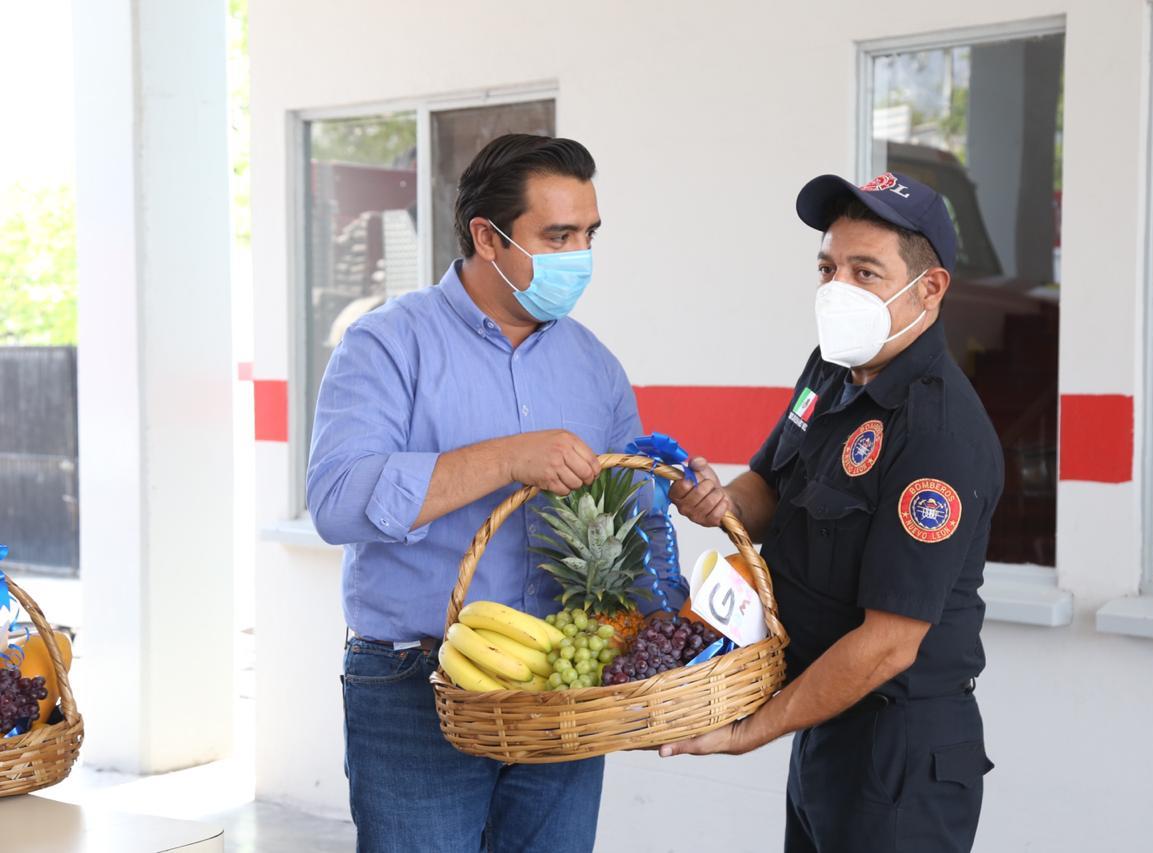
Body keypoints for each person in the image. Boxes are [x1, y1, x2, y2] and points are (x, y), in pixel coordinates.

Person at [307, 133, 683, 853]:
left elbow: (634, 522)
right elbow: (336, 501)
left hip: (565, 684)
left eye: (589, 234)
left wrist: (681, 533)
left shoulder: (595, 366)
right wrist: (508, 457)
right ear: (487, 235)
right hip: (417, 684)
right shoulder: (386, 345)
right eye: (559, 235)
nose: (579, 256)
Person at [663, 171, 1002, 852]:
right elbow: (770, 483)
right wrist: (718, 503)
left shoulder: (935, 429)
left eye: (864, 272)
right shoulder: (831, 367)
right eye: (828, 267)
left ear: (929, 290)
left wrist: (748, 731)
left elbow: (889, 643)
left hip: (900, 750)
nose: (835, 290)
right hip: (826, 721)